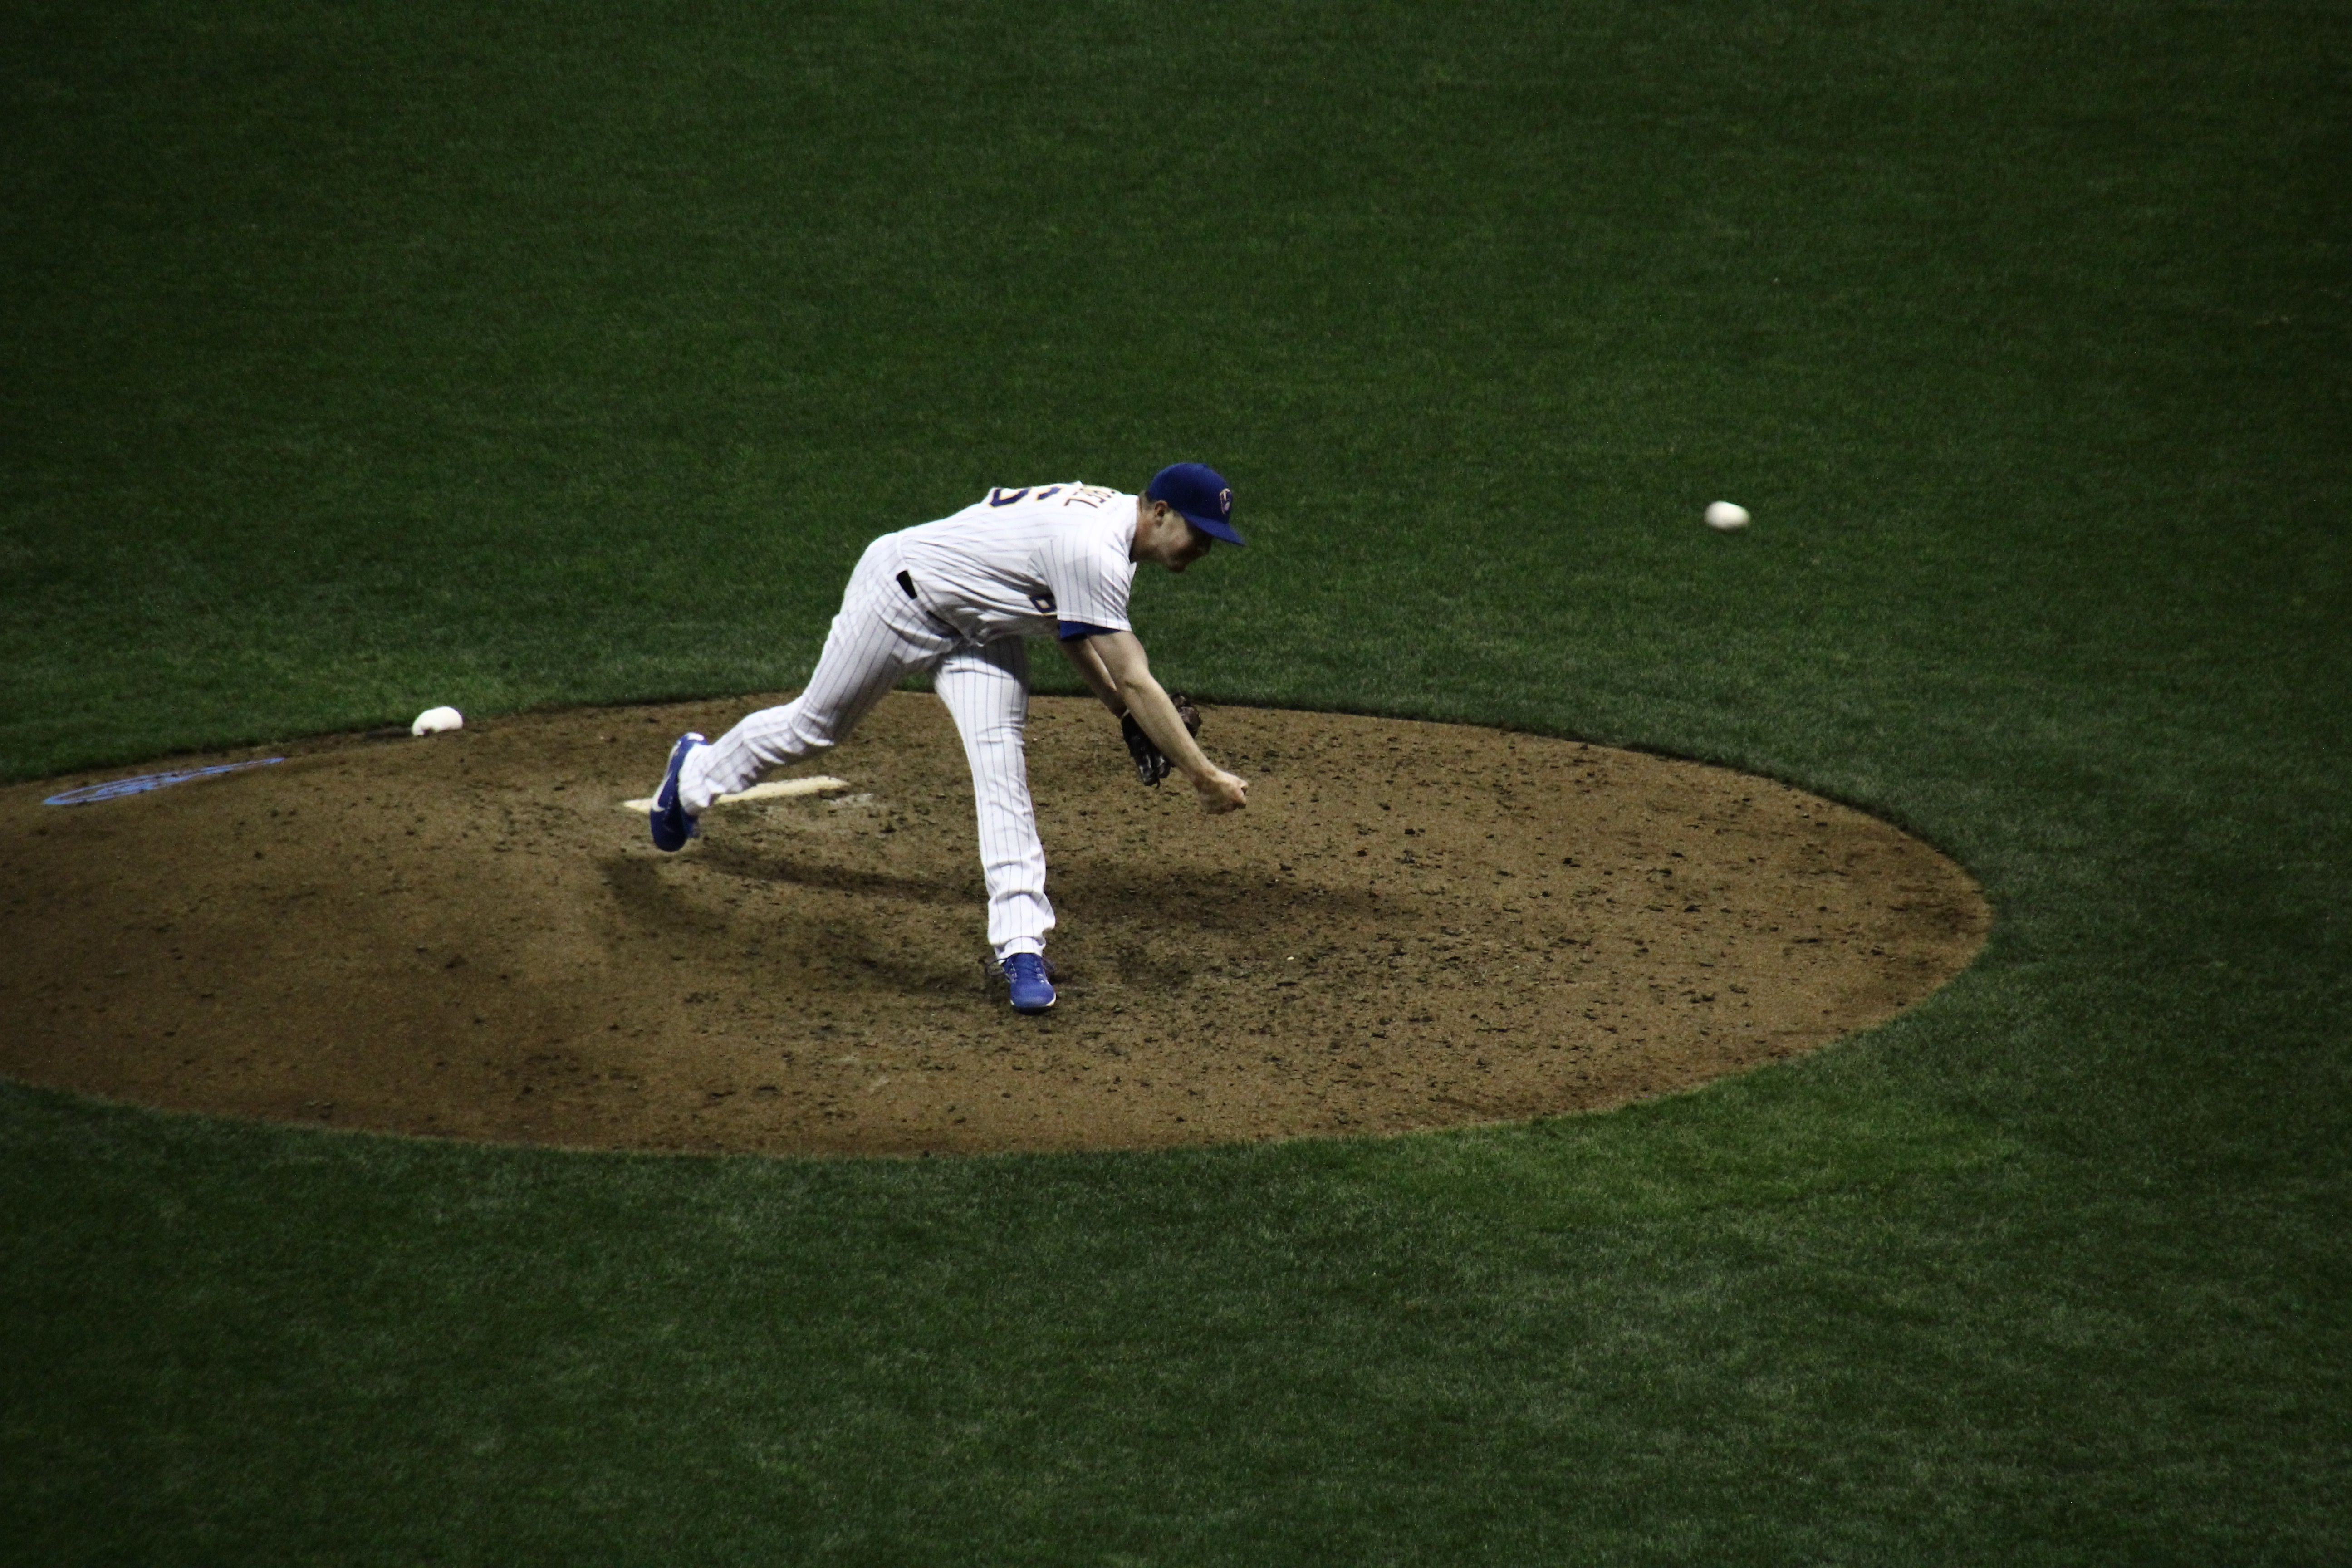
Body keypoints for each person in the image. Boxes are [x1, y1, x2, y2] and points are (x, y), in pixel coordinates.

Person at [647, 463, 1253, 1014]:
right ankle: (695, 772)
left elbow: (1072, 631)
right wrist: (1203, 775)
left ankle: (1021, 947)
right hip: (900, 598)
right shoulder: (1095, 547)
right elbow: (1136, 677)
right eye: (1198, 533)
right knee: (816, 726)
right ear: (1160, 513)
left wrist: (1120, 711)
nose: (1203, 549)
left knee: (1002, 767)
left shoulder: (1113, 535)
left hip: (982, 636)